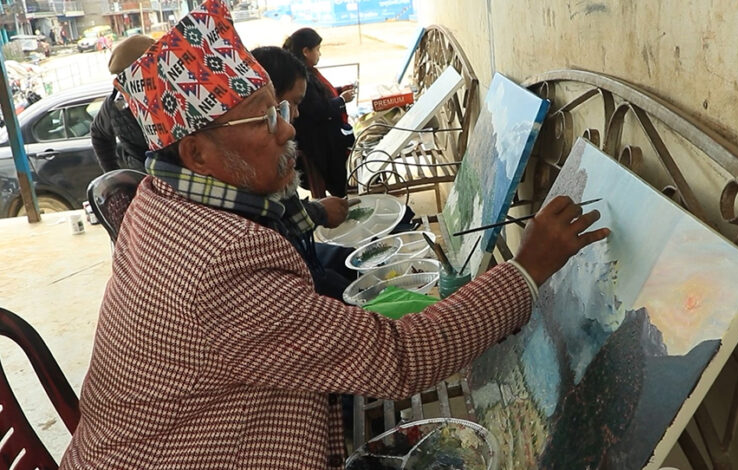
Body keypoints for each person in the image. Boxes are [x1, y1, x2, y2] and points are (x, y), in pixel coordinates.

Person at [60, 1, 610, 468]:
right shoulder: (220, 258)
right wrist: (527, 270)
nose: (287, 127)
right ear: (197, 153)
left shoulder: (158, 199)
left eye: (279, 109)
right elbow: (399, 358)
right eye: (263, 119)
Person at [251, 45, 356, 298]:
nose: (291, 126)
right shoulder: (251, 165)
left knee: (350, 266)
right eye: (291, 105)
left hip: (302, 250)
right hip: (297, 261)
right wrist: (318, 211)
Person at [284, 27, 356, 198]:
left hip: (325, 137)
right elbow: (317, 109)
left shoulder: (308, 72)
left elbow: (319, 96)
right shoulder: (301, 77)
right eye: (317, 49)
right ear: (306, 51)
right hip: (319, 143)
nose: (319, 54)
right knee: (337, 179)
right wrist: (341, 100)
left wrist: (339, 91)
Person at [90, 35, 154, 172]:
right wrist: (112, 172)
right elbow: (98, 134)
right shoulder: (114, 105)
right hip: (144, 177)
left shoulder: (179, 91)